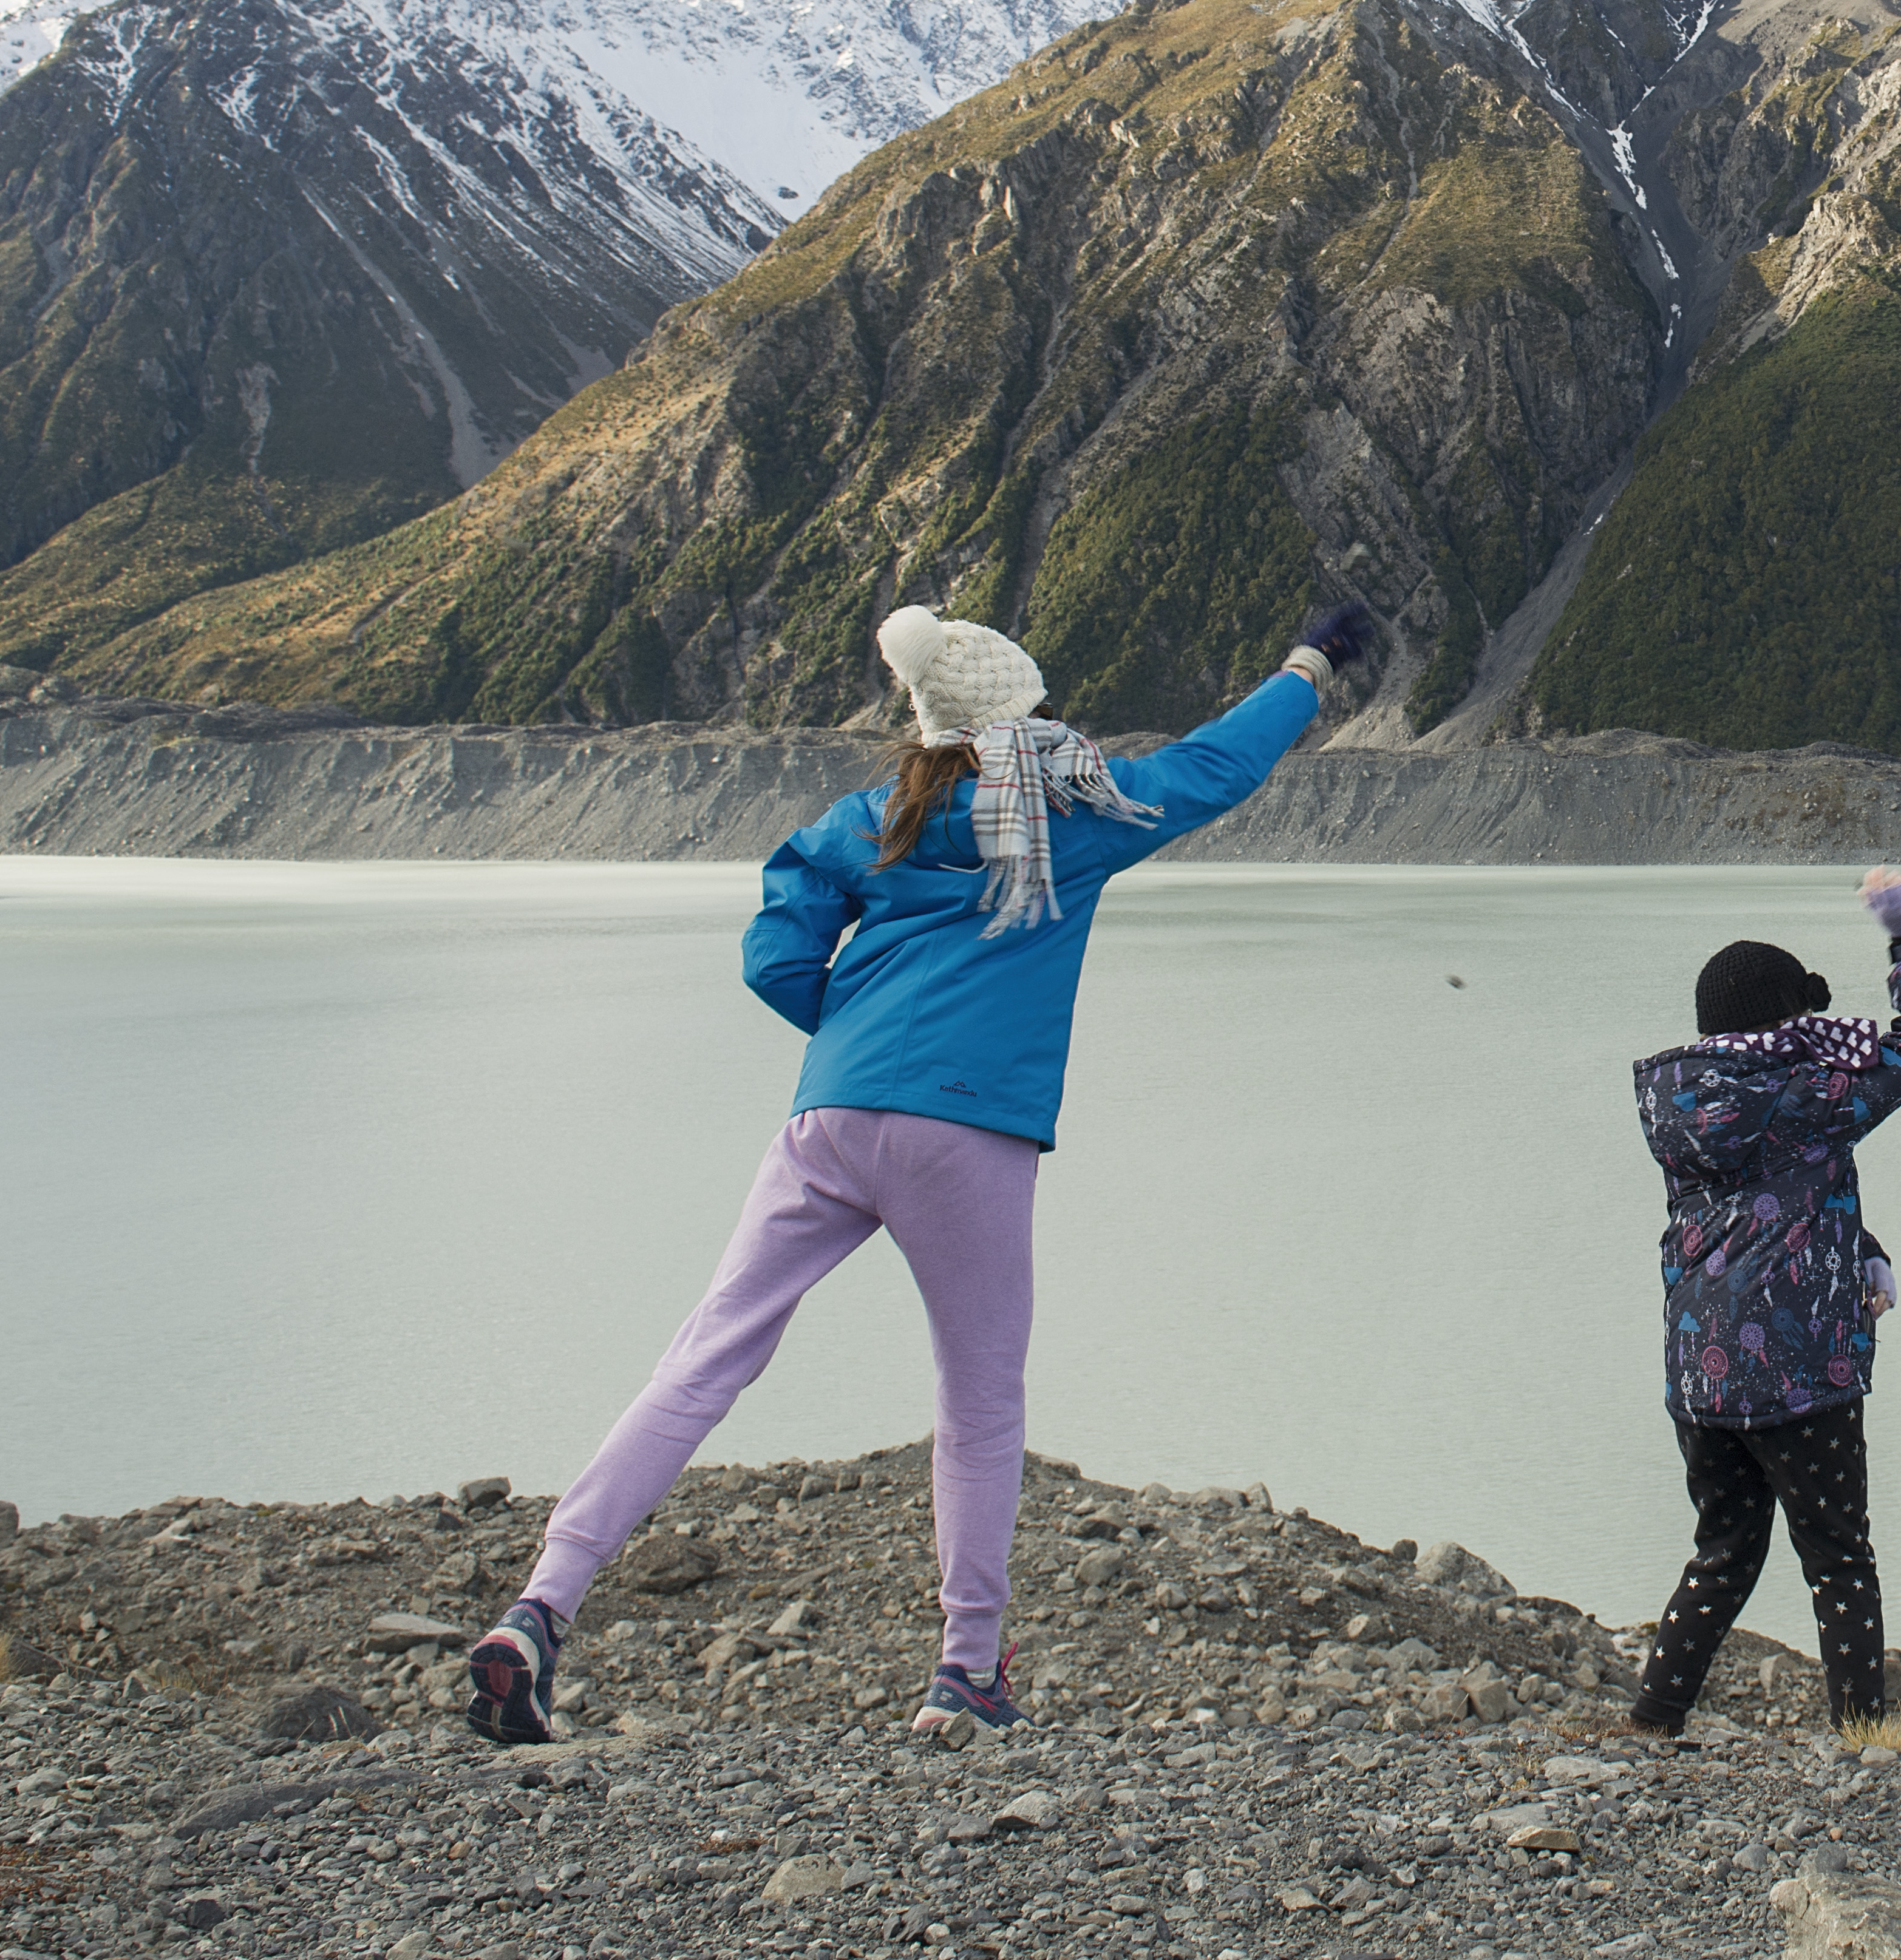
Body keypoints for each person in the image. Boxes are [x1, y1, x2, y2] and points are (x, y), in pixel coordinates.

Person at [463, 596, 1375, 1748]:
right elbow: (1212, 766)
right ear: (1021, 715)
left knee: (704, 1357)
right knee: (979, 1400)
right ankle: (965, 1671)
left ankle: (542, 1608)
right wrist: (1304, 665)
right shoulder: (1074, 813)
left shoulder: (868, 817)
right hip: (970, 1128)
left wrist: (854, 1037)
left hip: (832, 1119)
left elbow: (774, 955)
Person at [1624, 867, 1901, 1738]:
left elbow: (1762, 1202)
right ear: (1782, 1019)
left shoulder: (1680, 1104)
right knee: (1840, 1561)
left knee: (1723, 1553)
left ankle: (1654, 1721)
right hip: (1799, 1375)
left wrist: (1866, 1249)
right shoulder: (1807, 1094)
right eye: (1801, 1015)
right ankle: (1862, 1736)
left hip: (1701, 1375)